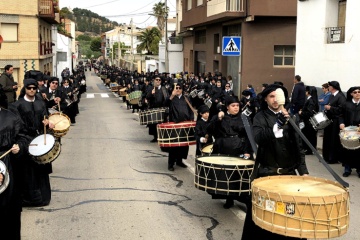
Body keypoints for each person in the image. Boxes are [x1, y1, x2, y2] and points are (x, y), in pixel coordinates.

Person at [241, 84, 308, 240]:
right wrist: (276, 126)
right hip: (267, 174)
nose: (275, 99)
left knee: (289, 215)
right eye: (271, 96)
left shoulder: (292, 118)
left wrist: (303, 171)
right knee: (263, 217)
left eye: (278, 95)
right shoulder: (260, 116)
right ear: (266, 99)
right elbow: (258, 137)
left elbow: (299, 147)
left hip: (288, 174)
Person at [11, 79, 55, 206]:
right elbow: (17, 125)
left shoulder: (41, 103)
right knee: (27, 171)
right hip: (26, 140)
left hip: (40, 138)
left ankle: (43, 198)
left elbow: (45, 117)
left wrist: (47, 123)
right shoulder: (17, 105)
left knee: (41, 169)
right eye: (29, 88)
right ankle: (29, 199)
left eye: (34, 88)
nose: (32, 90)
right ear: (25, 88)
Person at [207, 95, 253, 208]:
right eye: (233, 106)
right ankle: (229, 199)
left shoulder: (244, 118)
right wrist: (218, 119)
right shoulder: (220, 116)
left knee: (241, 176)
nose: (236, 108)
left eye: (237, 105)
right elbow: (209, 130)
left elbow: (249, 136)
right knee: (226, 175)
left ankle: (246, 201)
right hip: (223, 149)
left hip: (240, 149)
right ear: (227, 107)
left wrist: (248, 151)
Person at [0, 83, 28, 239]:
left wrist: (20, 147)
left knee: (9, 209)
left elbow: (23, 138)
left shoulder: (11, 117)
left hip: (9, 165)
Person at [165, 83, 194, 171]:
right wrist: (171, 96)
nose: (177, 89)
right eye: (176, 88)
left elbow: (190, 110)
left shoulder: (186, 98)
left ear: (182, 89)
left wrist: (191, 121)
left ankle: (179, 161)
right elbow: (165, 104)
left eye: (179, 88)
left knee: (183, 145)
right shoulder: (171, 98)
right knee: (174, 145)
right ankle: (171, 163)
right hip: (174, 125)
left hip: (184, 124)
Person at [323, 81, 346, 164]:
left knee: (333, 140)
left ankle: (333, 158)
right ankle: (327, 156)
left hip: (336, 121)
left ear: (332, 87)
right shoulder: (332, 95)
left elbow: (342, 109)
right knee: (328, 139)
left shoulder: (340, 96)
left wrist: (330, 108)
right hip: (330, 120)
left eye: (329, 86)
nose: (328, 87)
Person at [339, 86, 360, 177]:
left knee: (359, 151)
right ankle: (347, 169)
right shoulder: (346, 104)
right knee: (347, 151)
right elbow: (341, 115)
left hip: (358, 131)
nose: (357, 94)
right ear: (351, 94)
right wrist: (341, 123)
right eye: (355, 92)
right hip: (348, 131)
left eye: (359, 92)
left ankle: (359, 170)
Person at [146, 76, 168, 142]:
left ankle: (161, 136)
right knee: (154, 124)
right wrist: (151, 93)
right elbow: (147, 97)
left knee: (161, 123)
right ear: (154, 80)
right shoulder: (151, 88)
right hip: (153, 108)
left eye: (159, 80)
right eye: (156, 79)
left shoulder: (163, 89)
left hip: (161, 109)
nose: (158, 81)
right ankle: (155, 137)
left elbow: (167, 98)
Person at [298, 86, 319, 154]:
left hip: (309, 121)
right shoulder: (311, 99)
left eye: (306, 91)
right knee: (311, 135)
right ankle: (309, 148)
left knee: (309, 135)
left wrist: (302, 112)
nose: (305, 92)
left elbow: (310, 112)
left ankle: (308, 149)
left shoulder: (311, 100)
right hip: (310, 121)